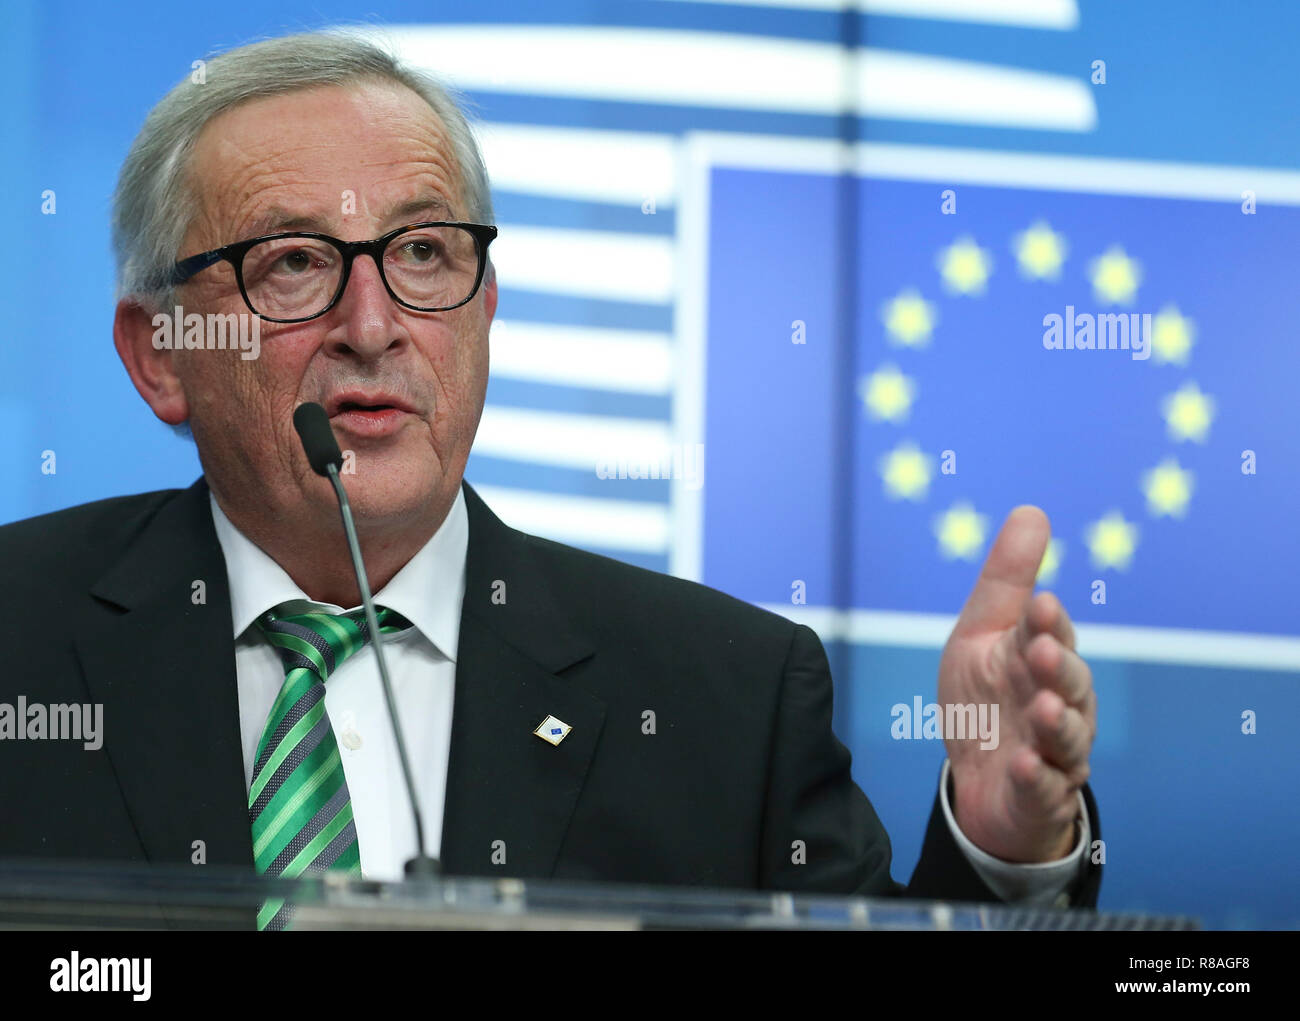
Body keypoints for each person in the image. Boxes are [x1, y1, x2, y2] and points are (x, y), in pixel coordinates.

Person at [0, 32, 1100, 927]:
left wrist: (1005, 850)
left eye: (424, 253)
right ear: (160, 353)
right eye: (293, 263)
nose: (373, 326)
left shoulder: (728, 695)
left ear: (484, 311)